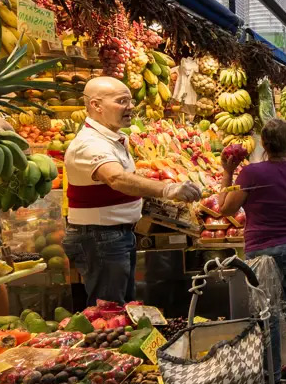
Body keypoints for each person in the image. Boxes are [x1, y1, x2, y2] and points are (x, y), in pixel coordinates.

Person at [63, 78, 201, 305]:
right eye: (121, 101)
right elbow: (116, 178)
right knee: (108, 311)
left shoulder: (111, 138)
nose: (130, 107)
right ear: (96, 105)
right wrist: (168, 188)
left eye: (130, 100)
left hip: (113, 235)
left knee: (121, 307)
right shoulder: (90, 143)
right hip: (100, 237)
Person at [216, 118, 286, 384]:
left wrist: (227, 172)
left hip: (263, 252)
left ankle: (272, 381)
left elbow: (224, 209)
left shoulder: (250, 174)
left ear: (263, 143)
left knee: (268, 313)